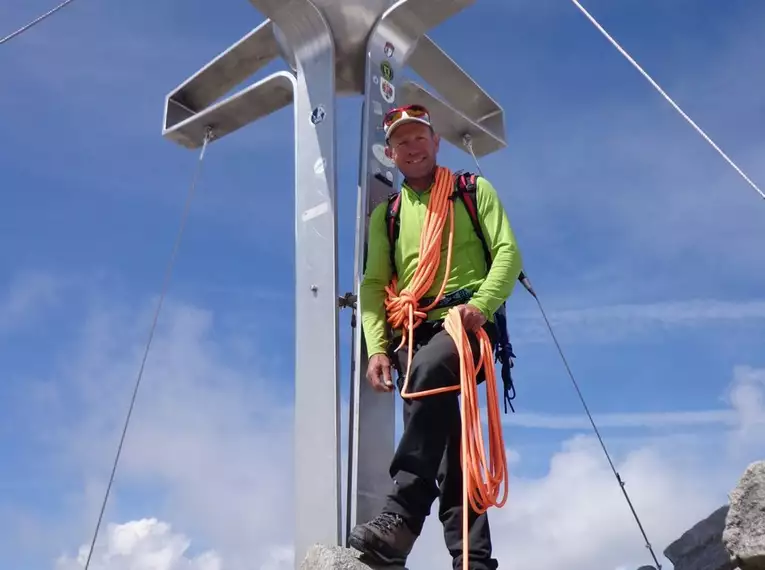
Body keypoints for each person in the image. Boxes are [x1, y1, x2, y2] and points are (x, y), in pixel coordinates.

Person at [347, 104, 523, 569]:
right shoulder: (387, 216)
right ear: (391, 153)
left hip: (466, 330)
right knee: (450, 450)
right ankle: (473, 562)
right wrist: (377, 348)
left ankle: (401, 513)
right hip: (412, 333)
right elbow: (372, 285)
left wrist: (479, 309)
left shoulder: (471, 190)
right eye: (401, 141)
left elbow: (508, 254)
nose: (412, 147)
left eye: (419, 137)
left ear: (435, 141)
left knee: (428, 374)